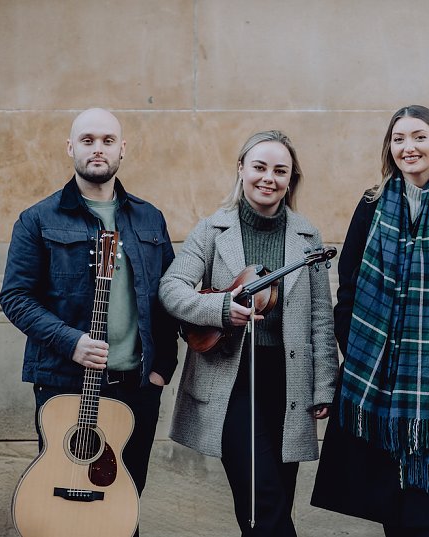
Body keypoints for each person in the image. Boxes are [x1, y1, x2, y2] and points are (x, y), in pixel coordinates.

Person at [311, 105, 429, 537]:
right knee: (389, 503)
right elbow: (349, 288)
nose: (408, 147)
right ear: (389, 148)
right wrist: (355, 347)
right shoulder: (371, 205)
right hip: (373, 372)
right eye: (399, 139)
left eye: (418, 137)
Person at [0, 108, 179, 513]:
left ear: (122, 149)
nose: (98, 149)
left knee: (122, 504)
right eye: (87, 140)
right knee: (64, 496)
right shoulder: (37, 219)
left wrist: (162, 368)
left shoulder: (149, 218)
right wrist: (72, 342)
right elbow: (15, 297)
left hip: (136, 385)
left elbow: (169, 294)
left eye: (108, 140)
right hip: (64, 383)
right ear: (70, 147)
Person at [158, 130, 337, 536]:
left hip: (290, 382)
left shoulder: (307, 237)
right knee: (264, 500)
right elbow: (171, 290)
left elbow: (320, 319)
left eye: (280, 170)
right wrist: (221, 308)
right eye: (259, 167)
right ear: (241, 170)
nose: (268, 178)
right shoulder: (212, 230)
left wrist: (325, 385)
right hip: (232, 380)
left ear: (290, 180)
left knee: (268, 507)